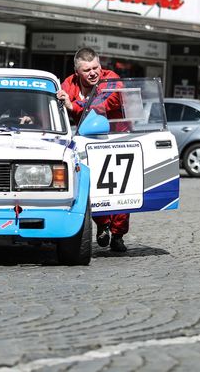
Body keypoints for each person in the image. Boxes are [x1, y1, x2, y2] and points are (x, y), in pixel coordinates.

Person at [56, 47, 129, 253]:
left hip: (115, 140)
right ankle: (102, 225)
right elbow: (59, 103)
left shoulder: (111, 79)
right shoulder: (68, 84)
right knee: (91, 187)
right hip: (87, 144)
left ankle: (118, 235)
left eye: (96, 67)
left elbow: (107, 102)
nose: (93, 73)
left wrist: (75, 106)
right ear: (77, 71)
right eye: (87, 70)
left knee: (120, 190)